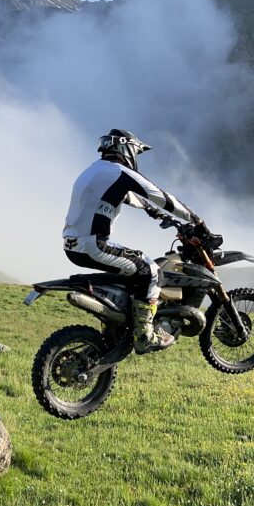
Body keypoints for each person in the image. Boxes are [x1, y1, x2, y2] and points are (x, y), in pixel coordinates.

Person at [62, 129, 204, 353]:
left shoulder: (93, 171)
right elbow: (161, 196)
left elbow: (125, 195)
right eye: (136, 152)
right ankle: (145, 335)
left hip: (72, 245)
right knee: (151, 270)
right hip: (94, 245)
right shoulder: (120, 171)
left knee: (132, 274)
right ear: (126, 148)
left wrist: (153, 212)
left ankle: (118, 325)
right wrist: (196, 220)